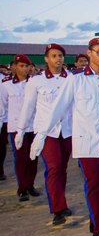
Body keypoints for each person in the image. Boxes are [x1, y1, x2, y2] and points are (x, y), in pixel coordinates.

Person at [36, 37, 99, 236]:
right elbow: (58, 107)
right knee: (93, 184)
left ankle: (97, 221)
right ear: (89, 53)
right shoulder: (75, 80)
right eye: (98, 52)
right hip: (86, 141)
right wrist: (42, 133)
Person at [18, 44, 73, 225]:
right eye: (54, 56)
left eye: (60, 56)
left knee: (62, 168)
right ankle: (57, 208)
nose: (58, 59)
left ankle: (61, 202)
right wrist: (21, 129)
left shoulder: (72, 78)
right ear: (46, 59)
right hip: (46, 132)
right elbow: (28, 106)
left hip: (66, 130)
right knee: (54, 167)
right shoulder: (36, 81)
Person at [2, 55, 39, 201]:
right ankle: (22, 188)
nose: (24, 69)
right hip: (17, 127)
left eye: (27, 66)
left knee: (33, 157)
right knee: (21, 158)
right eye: (22, 66)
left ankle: (30, 185)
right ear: (15, 67)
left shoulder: (35, 83)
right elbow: (3, 107)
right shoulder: (6, 85)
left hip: (34, 125)